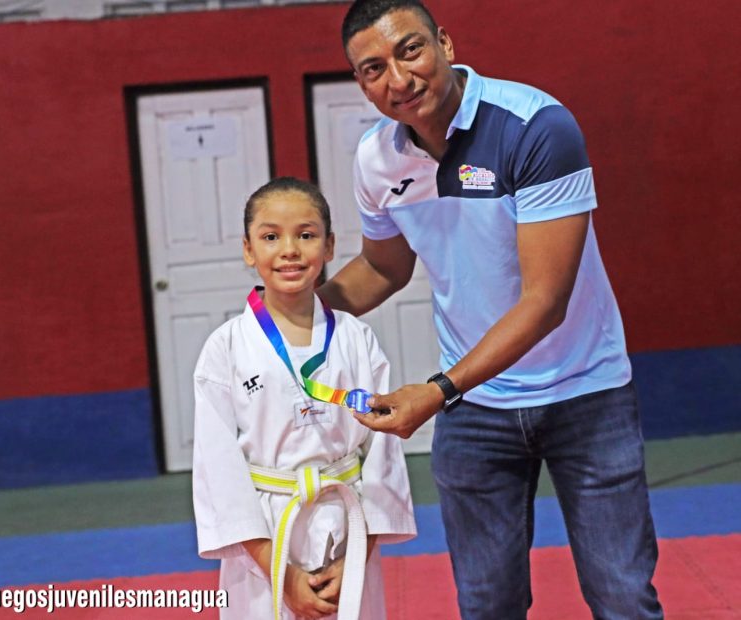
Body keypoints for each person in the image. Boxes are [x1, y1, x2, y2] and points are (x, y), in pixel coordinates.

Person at [316, 1, 664, 618]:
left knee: (623, 597)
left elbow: (545, 302)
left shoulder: (535, 127)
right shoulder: (376, 159)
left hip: (584, 392)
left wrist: (438, 390)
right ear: (361, 84)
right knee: (486, 605)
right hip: (476, 410)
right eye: (374, 69)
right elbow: (383, 268)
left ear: (445, 44)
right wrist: (290, 315)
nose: (398, 79)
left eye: (410, 50)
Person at [192, 176, 416, 620]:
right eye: (271, 237)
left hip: (347, 529)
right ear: (248, 250)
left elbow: (383, 455)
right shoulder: (226, 347)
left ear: (329, 246)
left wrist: (357, 554)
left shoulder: (357, 339)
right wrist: (279, 572)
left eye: (306, 235)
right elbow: (218, 470)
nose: (289, 250)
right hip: (265, 535)